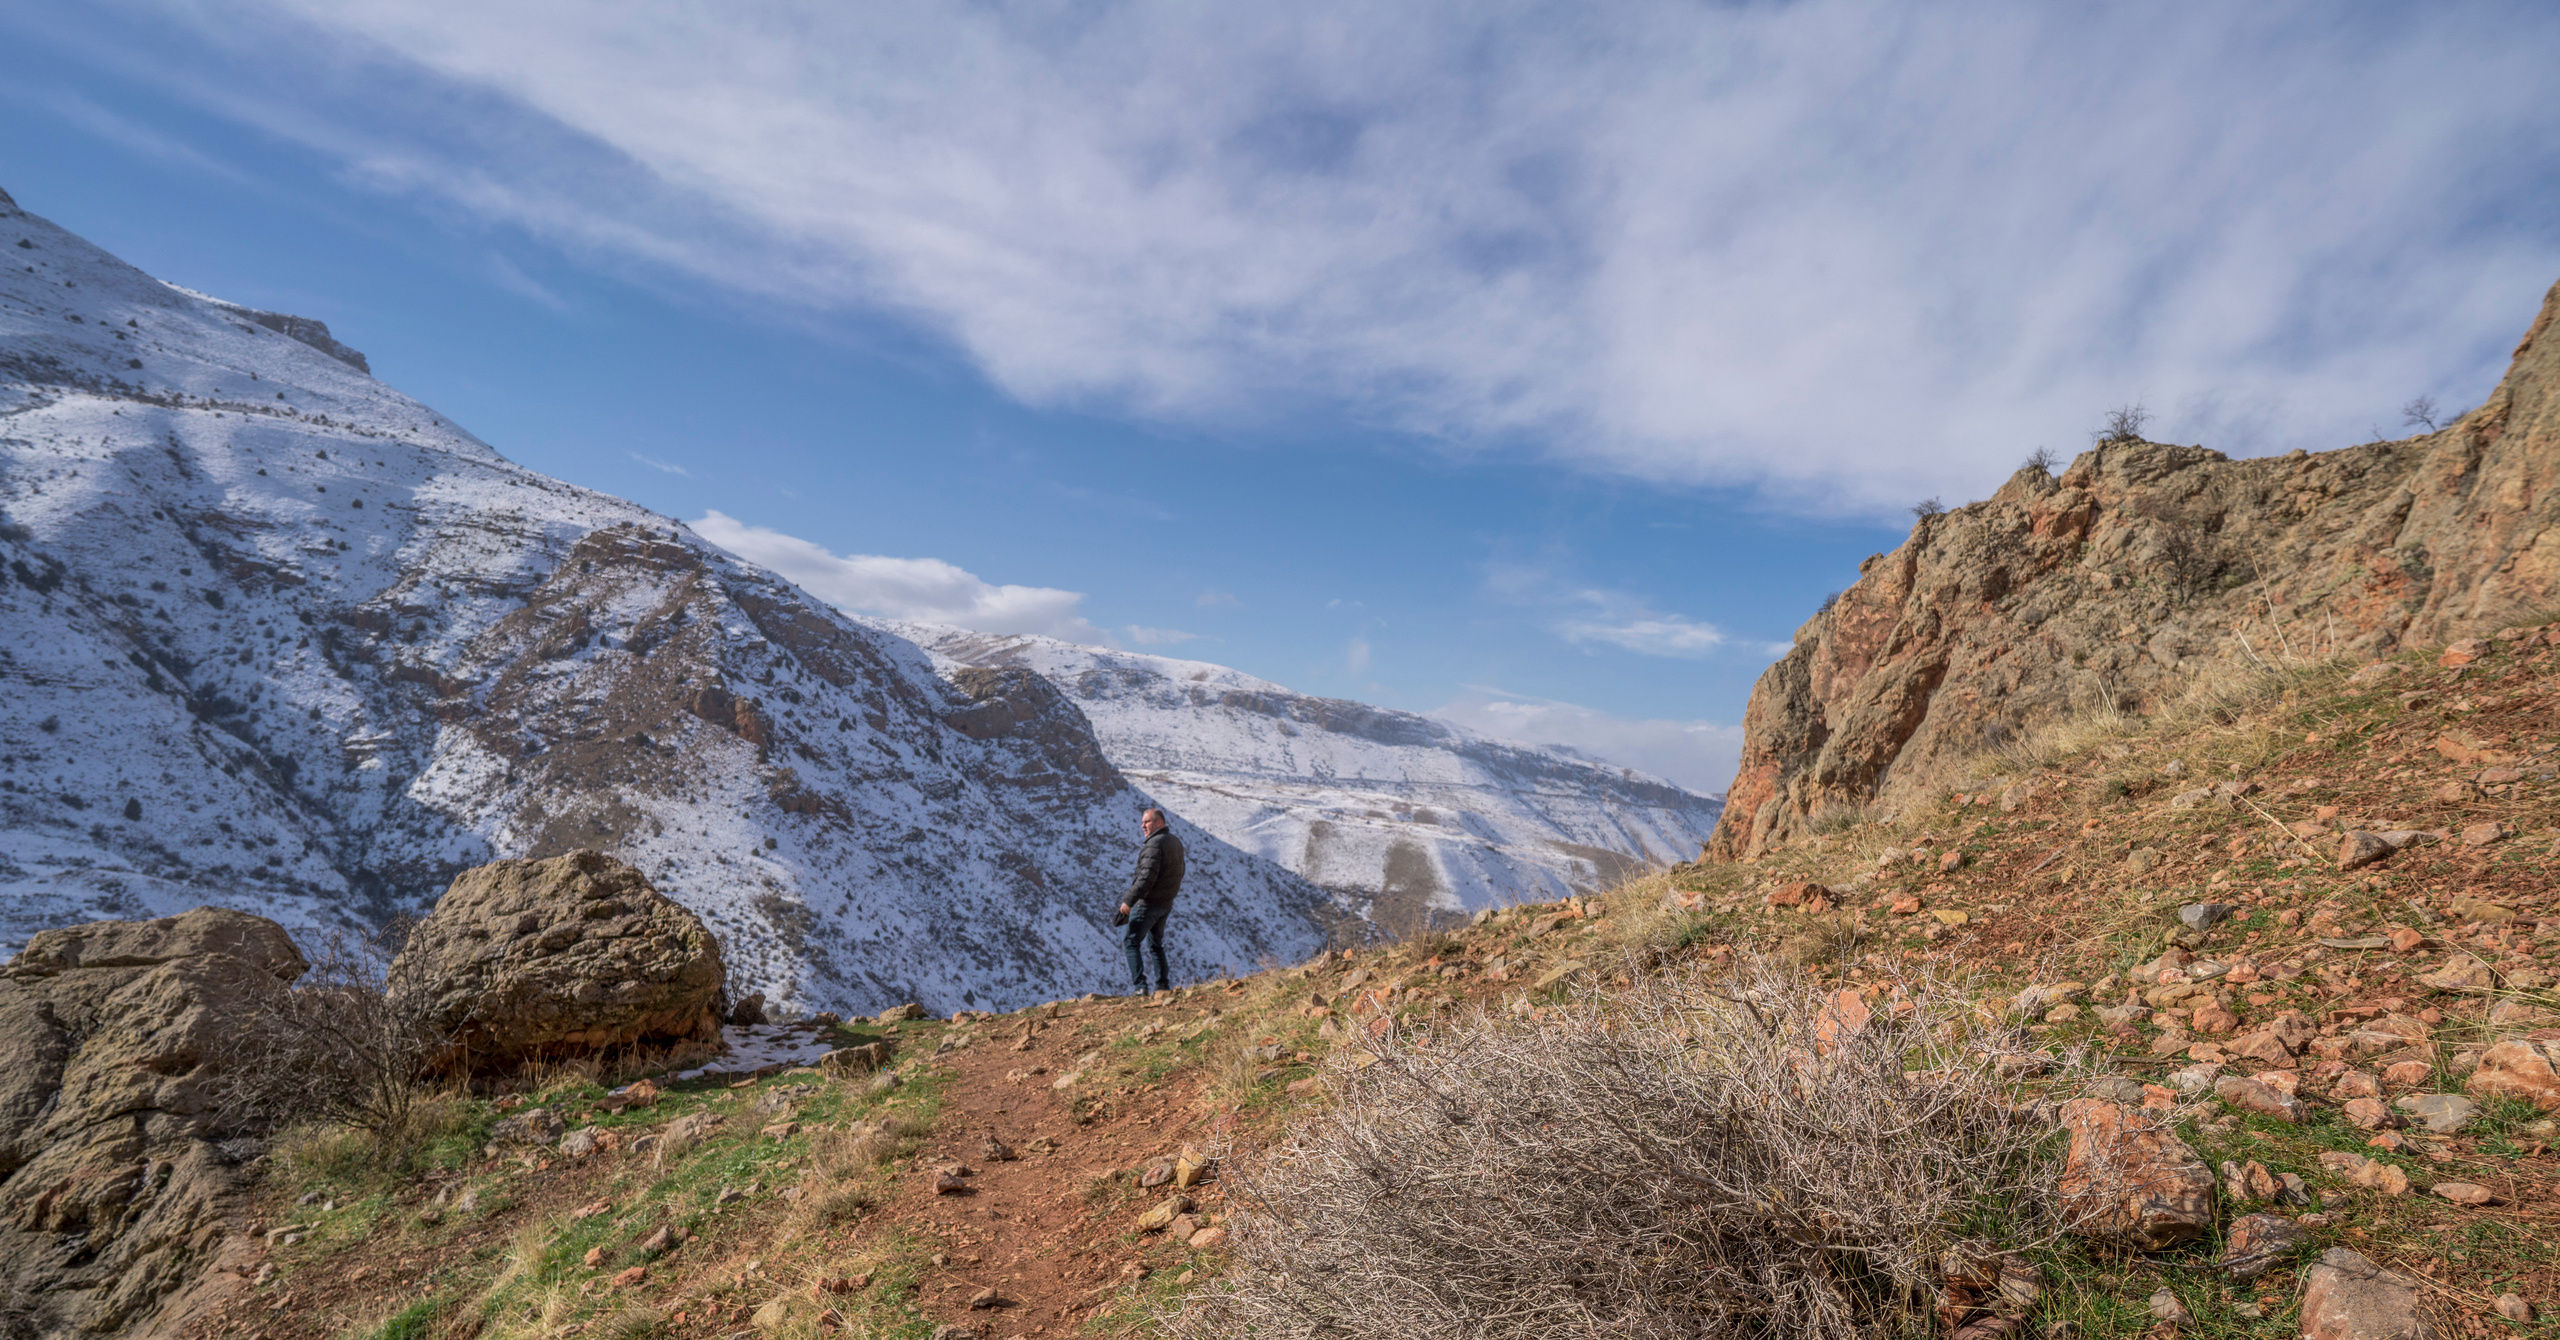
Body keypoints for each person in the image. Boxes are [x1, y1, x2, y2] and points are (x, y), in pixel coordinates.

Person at [1118, 807, 1185, 995]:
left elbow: (1145, 878)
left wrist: (1129, 901)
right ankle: (1162, 986)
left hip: (1149, 904)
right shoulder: (1174, 842)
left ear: (1159, 822)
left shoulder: (1154, 845)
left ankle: (1140, 987)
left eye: (1147, 822)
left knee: (1131, 942)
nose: (1143, 826)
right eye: (1142, 822)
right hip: (1165, 904)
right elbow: (1180, 872)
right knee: (1155, 944)